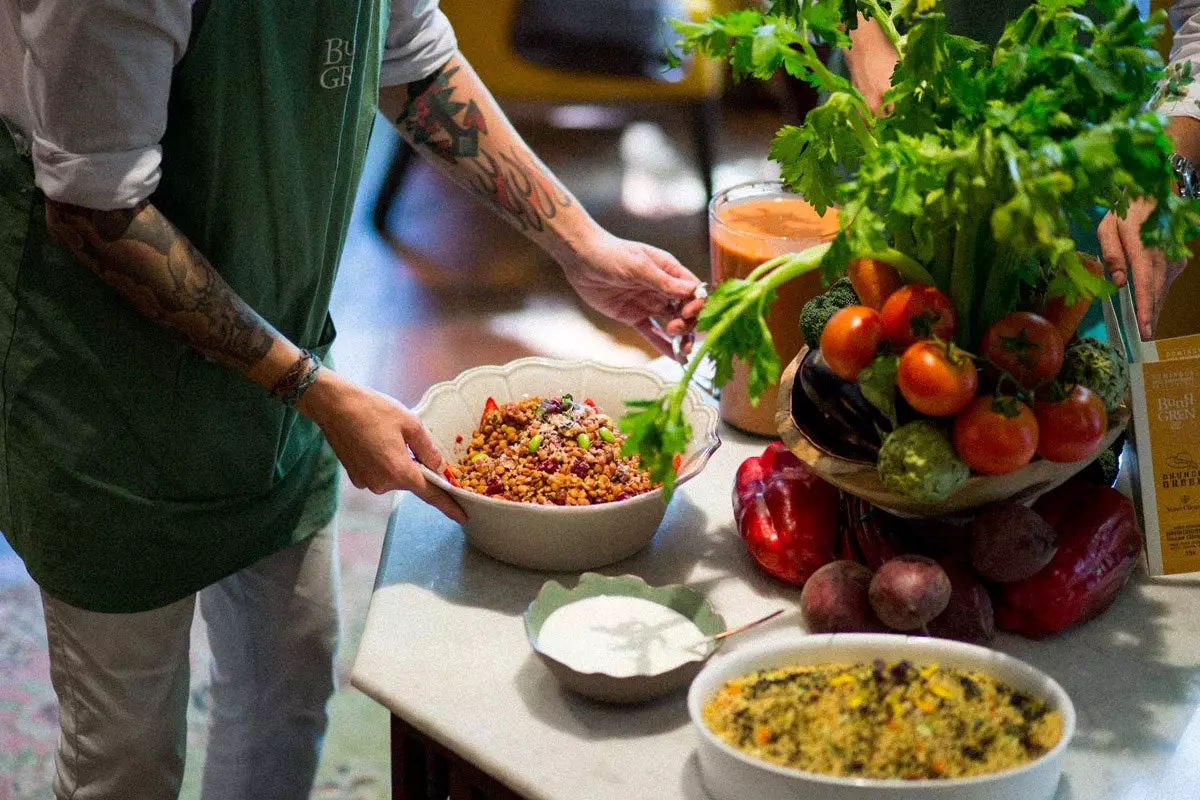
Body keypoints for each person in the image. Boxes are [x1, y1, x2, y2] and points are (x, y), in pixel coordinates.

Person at [0, 1, 703, 798]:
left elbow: (413, 60)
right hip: (107, 399)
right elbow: (98, 208)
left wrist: (583, 245)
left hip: (282, 364)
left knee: (289, 686)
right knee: (125, 758)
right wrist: (313, 389)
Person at [843, 0, 1200, 341]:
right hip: (903, 143)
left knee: (1070, 367)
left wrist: (1167, 169)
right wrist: (861, 32)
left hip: (1090, 179)